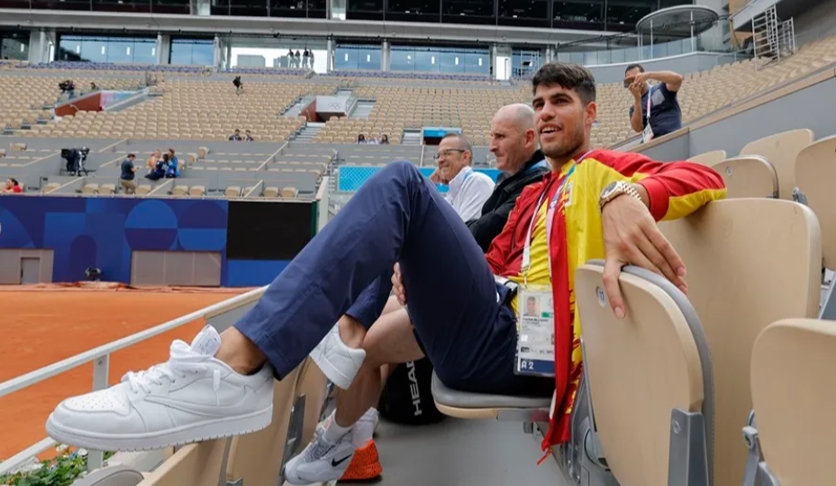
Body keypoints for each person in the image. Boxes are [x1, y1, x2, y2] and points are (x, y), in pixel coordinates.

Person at [45, 64, 726, 485]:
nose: (546, 112)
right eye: (540, 102)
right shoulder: (541, 190)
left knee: (401, 185)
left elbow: (705, 175)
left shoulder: (601, 173)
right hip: (501, 316)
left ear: (590, 114)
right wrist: (426, 274)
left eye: (561, 103)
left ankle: (237, 365)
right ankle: (332, 421)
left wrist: (626, 196)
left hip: (525, 348)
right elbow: (494, 261)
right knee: (390, 265)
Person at [468, 103, 549, 252]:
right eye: (492, 137)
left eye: (500, 136)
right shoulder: (512, 178)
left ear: (528, 139)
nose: (492, 147)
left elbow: (482, 234)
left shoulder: (538, 183)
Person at [429, 133, 495, 222]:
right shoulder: (452, 194)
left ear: (465, 156)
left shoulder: (477, 182)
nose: (440, 160)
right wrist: (431, 182)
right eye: (438, 156)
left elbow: (462, 233)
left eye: (446, 153)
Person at [625, 64, 683, 142]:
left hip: (672, 136)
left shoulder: (662, 88)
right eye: (629, 81)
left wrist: (649, 75)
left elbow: (678, 79)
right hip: (652, 144)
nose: (633, 82)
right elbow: (637, 128)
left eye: (636, 78)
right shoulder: (634, 107)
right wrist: (637, 99)